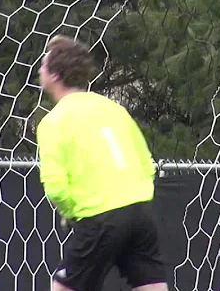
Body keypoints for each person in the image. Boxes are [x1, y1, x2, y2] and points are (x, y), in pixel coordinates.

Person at [36, 35, 168, 291]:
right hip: (140, 212)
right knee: (151, 287)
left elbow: (55, 187)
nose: (39, 69)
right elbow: (146, 163)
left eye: (43, 64)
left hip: (101, 218)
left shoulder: (54, 121)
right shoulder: (114, 109)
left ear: (54, 75)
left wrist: (73, 213)